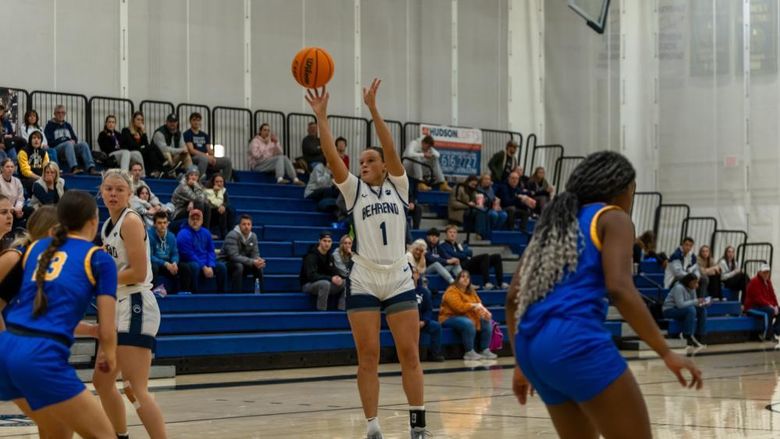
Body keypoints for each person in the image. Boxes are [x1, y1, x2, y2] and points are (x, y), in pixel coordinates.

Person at [506, 151, 702, 439]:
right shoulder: (613, 218)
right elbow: (619, 289)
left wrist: (522, 364)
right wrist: (666, 351)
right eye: (632, 193)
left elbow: (512, 298)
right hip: (574, 341)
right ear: (622, 190)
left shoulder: (554, 224)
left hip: (532, 347)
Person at [305, 79, 429, 437]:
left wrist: (373, 109)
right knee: (369, 356)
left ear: (384, 166)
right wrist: (322, 117)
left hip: (399, 276)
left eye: (370, 160)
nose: (364, 165)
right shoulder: (353, 190)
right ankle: (373, 426)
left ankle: (418, 424)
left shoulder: (398, 185)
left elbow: (390, 147)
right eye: (360, 161)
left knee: (409, 353)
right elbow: (331, 156)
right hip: (364, 277)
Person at [0, 191, 118, 439]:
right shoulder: (98, 258)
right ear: (94, 220)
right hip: (40, 355)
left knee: (57, 432)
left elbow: (42, 314)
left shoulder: (34, 250)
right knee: (105, 435)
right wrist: (109, 353)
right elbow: (109, 330)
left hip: (9, 352)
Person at [93, 169, 167, 439]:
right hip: (119, 303)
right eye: (109, 189)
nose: (113, 193)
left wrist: (101, 280)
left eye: (119, 189)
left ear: (130, 194)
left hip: (136, 301)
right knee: (102, 382)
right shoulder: (106, 225)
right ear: (101, 192)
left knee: (135, 387)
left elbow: (137, 272)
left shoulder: (131, 221)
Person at [439, 270, 497, 360]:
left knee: (486, 320)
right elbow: (458, 307)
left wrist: (486, 313)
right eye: (462, 276)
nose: (465, 279)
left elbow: (479, 304)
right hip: (450, 317)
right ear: (457, 279)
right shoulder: (451, 291)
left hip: (468, 316)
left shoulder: (471, 291)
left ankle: (485, 349)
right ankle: (469, 352)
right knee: (468, 323)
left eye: (467, 277)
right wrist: (473, 306)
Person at [439, 224, 507, 290]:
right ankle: (486, 283)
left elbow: (469, 253)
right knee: (485, 256)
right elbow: (457, 255)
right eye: (450, 232)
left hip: (468, 263)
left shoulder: (458, 245)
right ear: (446, 234)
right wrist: (462, 254)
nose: (452, 234)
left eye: (454, 232)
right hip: (460, 266)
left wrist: (461, 254)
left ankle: (500, 283)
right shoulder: (443, 245)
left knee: (497, 257)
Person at [177, 208, 228, 294]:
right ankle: (195, 294)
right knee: (195, 266)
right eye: (193, 219)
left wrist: (211, 265)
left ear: (202, 220)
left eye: (198, 219)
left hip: (206, 263)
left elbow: (211, 251)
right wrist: (204, 267)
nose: (195, 221)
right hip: (190, 261)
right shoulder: (183, 234)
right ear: (188, 220)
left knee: (221, 267)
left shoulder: (206, 232)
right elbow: (189, 255)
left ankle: (221, 294)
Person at [43, 104, 99, 175]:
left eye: (63, 113)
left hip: (70, 147)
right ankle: (74, 168)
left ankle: (91, 168)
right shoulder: (49, 126)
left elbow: (74, 138)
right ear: (54, 114)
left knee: (83, 144)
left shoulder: (68, 125)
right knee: (68, 143)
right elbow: (49, 141)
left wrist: (74, 141)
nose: (61, 115)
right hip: (57, 148)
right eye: (58, 113)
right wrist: (64, 141)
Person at [299, 231, 346, 311]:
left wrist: (339, 278)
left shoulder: (329, 256)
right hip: (308, 285)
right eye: (324, 241)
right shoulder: (311, 256)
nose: (327, 244)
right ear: (319, 241)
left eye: (329, 241)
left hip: (325, 283)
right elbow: (312, 276)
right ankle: (321, 312)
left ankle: (341, 310)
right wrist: (331, 279)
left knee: (347, 282)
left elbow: (334, 272)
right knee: (325, 284)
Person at [148, 211, 191, 295]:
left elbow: (175, 253)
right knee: (153, 267)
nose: (162, 225)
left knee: (185, 267)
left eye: (164, 222)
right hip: (156, 264)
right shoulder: (149, 235)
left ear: (168, 223)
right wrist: (166, 264)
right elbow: (150, 256)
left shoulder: (171, 236)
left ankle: (184, 292)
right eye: (159, 223)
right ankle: (152, 292)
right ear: (154, 224)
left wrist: (174, 262)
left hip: (168, 264)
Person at [220, 214, 264, 293]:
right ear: (239, 225)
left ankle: (260, 294)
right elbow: (233, 256)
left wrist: (258, 261)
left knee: (258, 267)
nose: (246, 227)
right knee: (238, 266)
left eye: (249, 224)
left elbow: (255, 254)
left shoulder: (253, 236)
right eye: (244, 224)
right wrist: (253, 261)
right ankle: (237, 295)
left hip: (244, 263)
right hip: (226, 263)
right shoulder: (232, 235)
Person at [122, 111, 173, 178]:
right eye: (138, 119)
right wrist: (139, 142)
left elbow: (146, 144)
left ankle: (156, 172)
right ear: (133, 120)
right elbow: (131, 145)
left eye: (141, 120)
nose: (140, 121)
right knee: (152, 146)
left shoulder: (140, 132)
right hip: (131, 151)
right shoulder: (126, 130)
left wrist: (144, 133)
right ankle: (164, 164)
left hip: (141, 151)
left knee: (152, 152)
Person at [183, 112, 232, 181]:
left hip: (206, 158)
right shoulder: (187, 134)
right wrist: (207, 157)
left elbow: (209, 150)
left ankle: (225, 183)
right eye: (194, 120)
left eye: (198, 120)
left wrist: (212, 157)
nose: (196, 122)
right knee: (204, 159)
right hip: (194, 158)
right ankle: (196, 180)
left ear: (200, 122)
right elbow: (192, 150)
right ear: (190, 121)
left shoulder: (205, 135)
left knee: (227, 161)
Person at [662, 273, 708, 348]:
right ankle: (686, 335)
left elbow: (694, 302)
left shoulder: (692, 288)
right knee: (691, 310)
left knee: (702, 310)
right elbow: (680, 304)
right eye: (695, 283)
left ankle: (700, 336)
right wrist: (695, 301)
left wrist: (702, 303)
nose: (697, 285)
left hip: (683, 309)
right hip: (670, 310)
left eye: (697, 282)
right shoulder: (678, 287)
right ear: (689, 282)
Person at [413, 265, 444, 362]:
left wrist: (424, 321)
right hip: (407, 323)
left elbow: (428, 309)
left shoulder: (423, 292)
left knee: (436, 327)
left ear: (418, 275)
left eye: (414, 272)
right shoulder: (402, 292)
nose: (412, 275)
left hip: (422, 322)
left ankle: (435, 354)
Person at [744, 265, 780, 344]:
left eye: (767, 272)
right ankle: (767, 334)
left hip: (762, 305)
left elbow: (773, 295)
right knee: (770, 311)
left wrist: (776, 306)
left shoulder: (768, 282)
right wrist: (770, 305)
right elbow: (758, 299)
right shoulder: (754, 281)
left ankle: (774, 331)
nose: (766, 274)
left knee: (777, 309)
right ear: (760, 272)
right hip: (752, 307)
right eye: (764, 272)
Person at [0, 158, 30, 229]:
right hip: (3, 208)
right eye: (7, 167)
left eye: (12, 167)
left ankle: (28, 232)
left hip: (16, 208)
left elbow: (20, 198)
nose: (10, 169)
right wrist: (12, 209)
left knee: (30, 210)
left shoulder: (17, 181)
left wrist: (18, 208)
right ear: (1, 169)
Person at [203, 173, 234, 239]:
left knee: (230, 209)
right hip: (209, 215)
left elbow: (227, 202)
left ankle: (231, 233)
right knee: (222, 210)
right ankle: (224, 233)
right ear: (213, 182)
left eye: (221, 182)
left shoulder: (224, 190)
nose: (219, 184)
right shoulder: (208, 191)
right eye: (217, 182)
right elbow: (216, 203)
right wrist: (221, 205)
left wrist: (223, 206)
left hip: (219, 213)